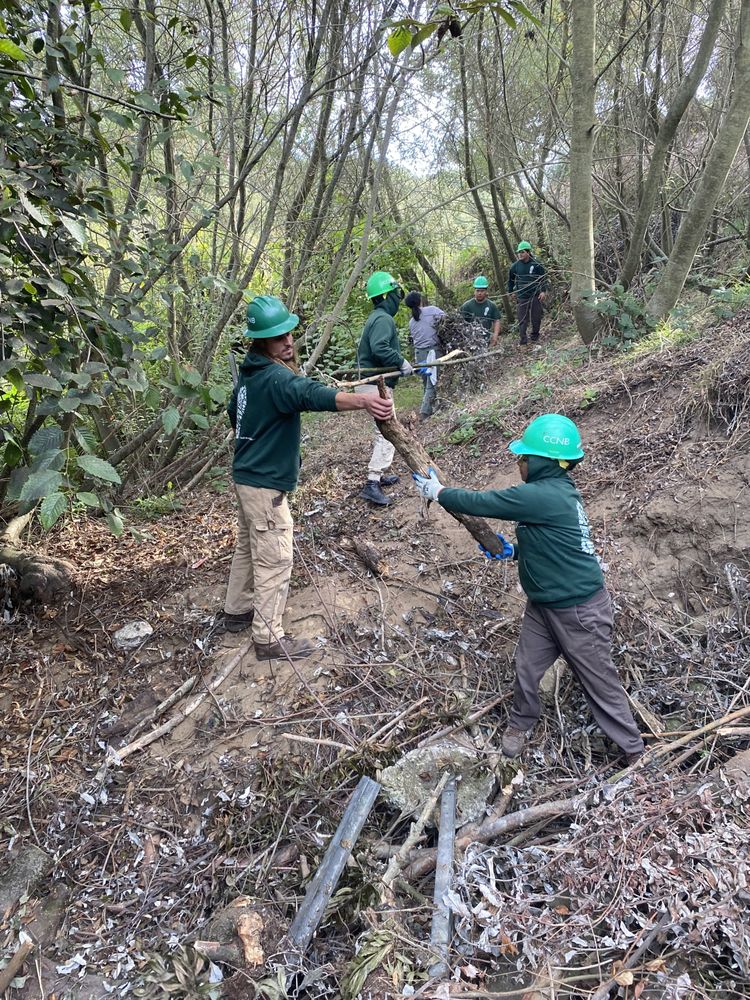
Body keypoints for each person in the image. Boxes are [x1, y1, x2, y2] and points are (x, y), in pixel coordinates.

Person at [411, 413, 645, 766]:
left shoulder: (543, 494)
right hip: (544, 604)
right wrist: (514, 551)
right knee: (527, 666)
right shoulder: (553, 494)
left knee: (599, 683)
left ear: (540, 461)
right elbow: (551, 542)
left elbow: (482, 503)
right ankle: (520, 725)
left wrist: (438, 491)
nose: (519, 463)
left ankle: (634, 752)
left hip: (579, 610)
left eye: (523, 457)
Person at [223, 294, 393, 659]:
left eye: (288, 334)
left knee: (248, 544)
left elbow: (234, 415)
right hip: (264, 483)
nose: (288, 341)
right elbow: (310, 393)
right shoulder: (273, 378)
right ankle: (268, 638)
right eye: (277, 337)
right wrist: (363, 400)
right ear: (260, 341)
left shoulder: (249, 375)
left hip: (245, 476)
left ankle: (236, 610)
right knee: (275, 555)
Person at [356, 270, 412, 506]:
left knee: (384, 431)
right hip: (374, 385)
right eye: (396, 294)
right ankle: (372, 483)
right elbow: (379, 348)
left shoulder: (377, 317)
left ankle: (378, 476)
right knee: (387, 433)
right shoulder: (383, 319)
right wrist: (400, 361)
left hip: (371, 384)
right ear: (388, 295)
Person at [405, 291, 444, 419]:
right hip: (432, 352)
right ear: (420, 301)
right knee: (432, 382)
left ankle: (430, 406)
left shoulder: (412, 322)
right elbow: (447, 320)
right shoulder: (432, 310)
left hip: (419, 354)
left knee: (426, 381)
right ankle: (425, 413)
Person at [508, 241, 547, 346]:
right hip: (522, 296)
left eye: (522, 252)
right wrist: (511, 292)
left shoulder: (536, 264)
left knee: (536, 317)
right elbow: (511, 280)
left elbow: (543, 278)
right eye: (519, 252)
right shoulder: (515, 266)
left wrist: (543, 291)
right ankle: (523, 340)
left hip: (535, 295)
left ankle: (535, 336)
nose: (520, 254)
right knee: (522, 319)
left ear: (528, 252)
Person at [460, 276, 501, 346]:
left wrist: (495, 336)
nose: (479, 293)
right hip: (470, 341)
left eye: (482, 291)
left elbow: (496, 320)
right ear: (474, 291)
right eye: (477, 290)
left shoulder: (491, 305)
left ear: (486, 291)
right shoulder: (466, 306)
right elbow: (460, 323)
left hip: (486, 340)